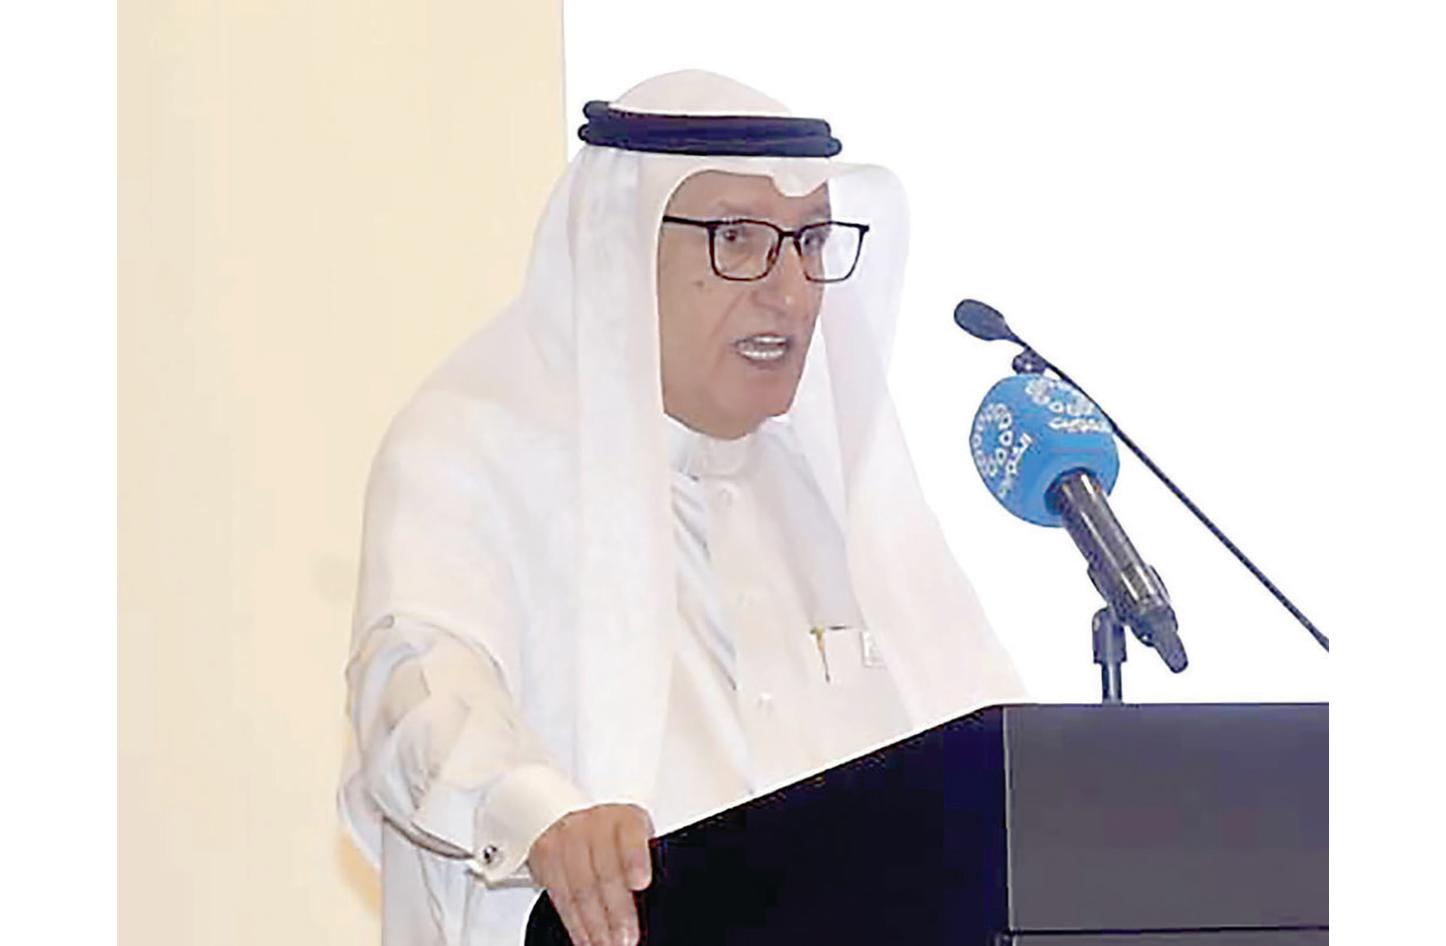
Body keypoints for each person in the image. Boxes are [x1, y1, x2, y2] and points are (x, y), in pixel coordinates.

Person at [337, 70, 1027, 946]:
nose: (791, 291)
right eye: (738, 238)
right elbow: (417, 685)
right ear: (620, 249)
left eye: (810, 240)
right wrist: (542, 816)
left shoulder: (826, 495)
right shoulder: (476, 448)